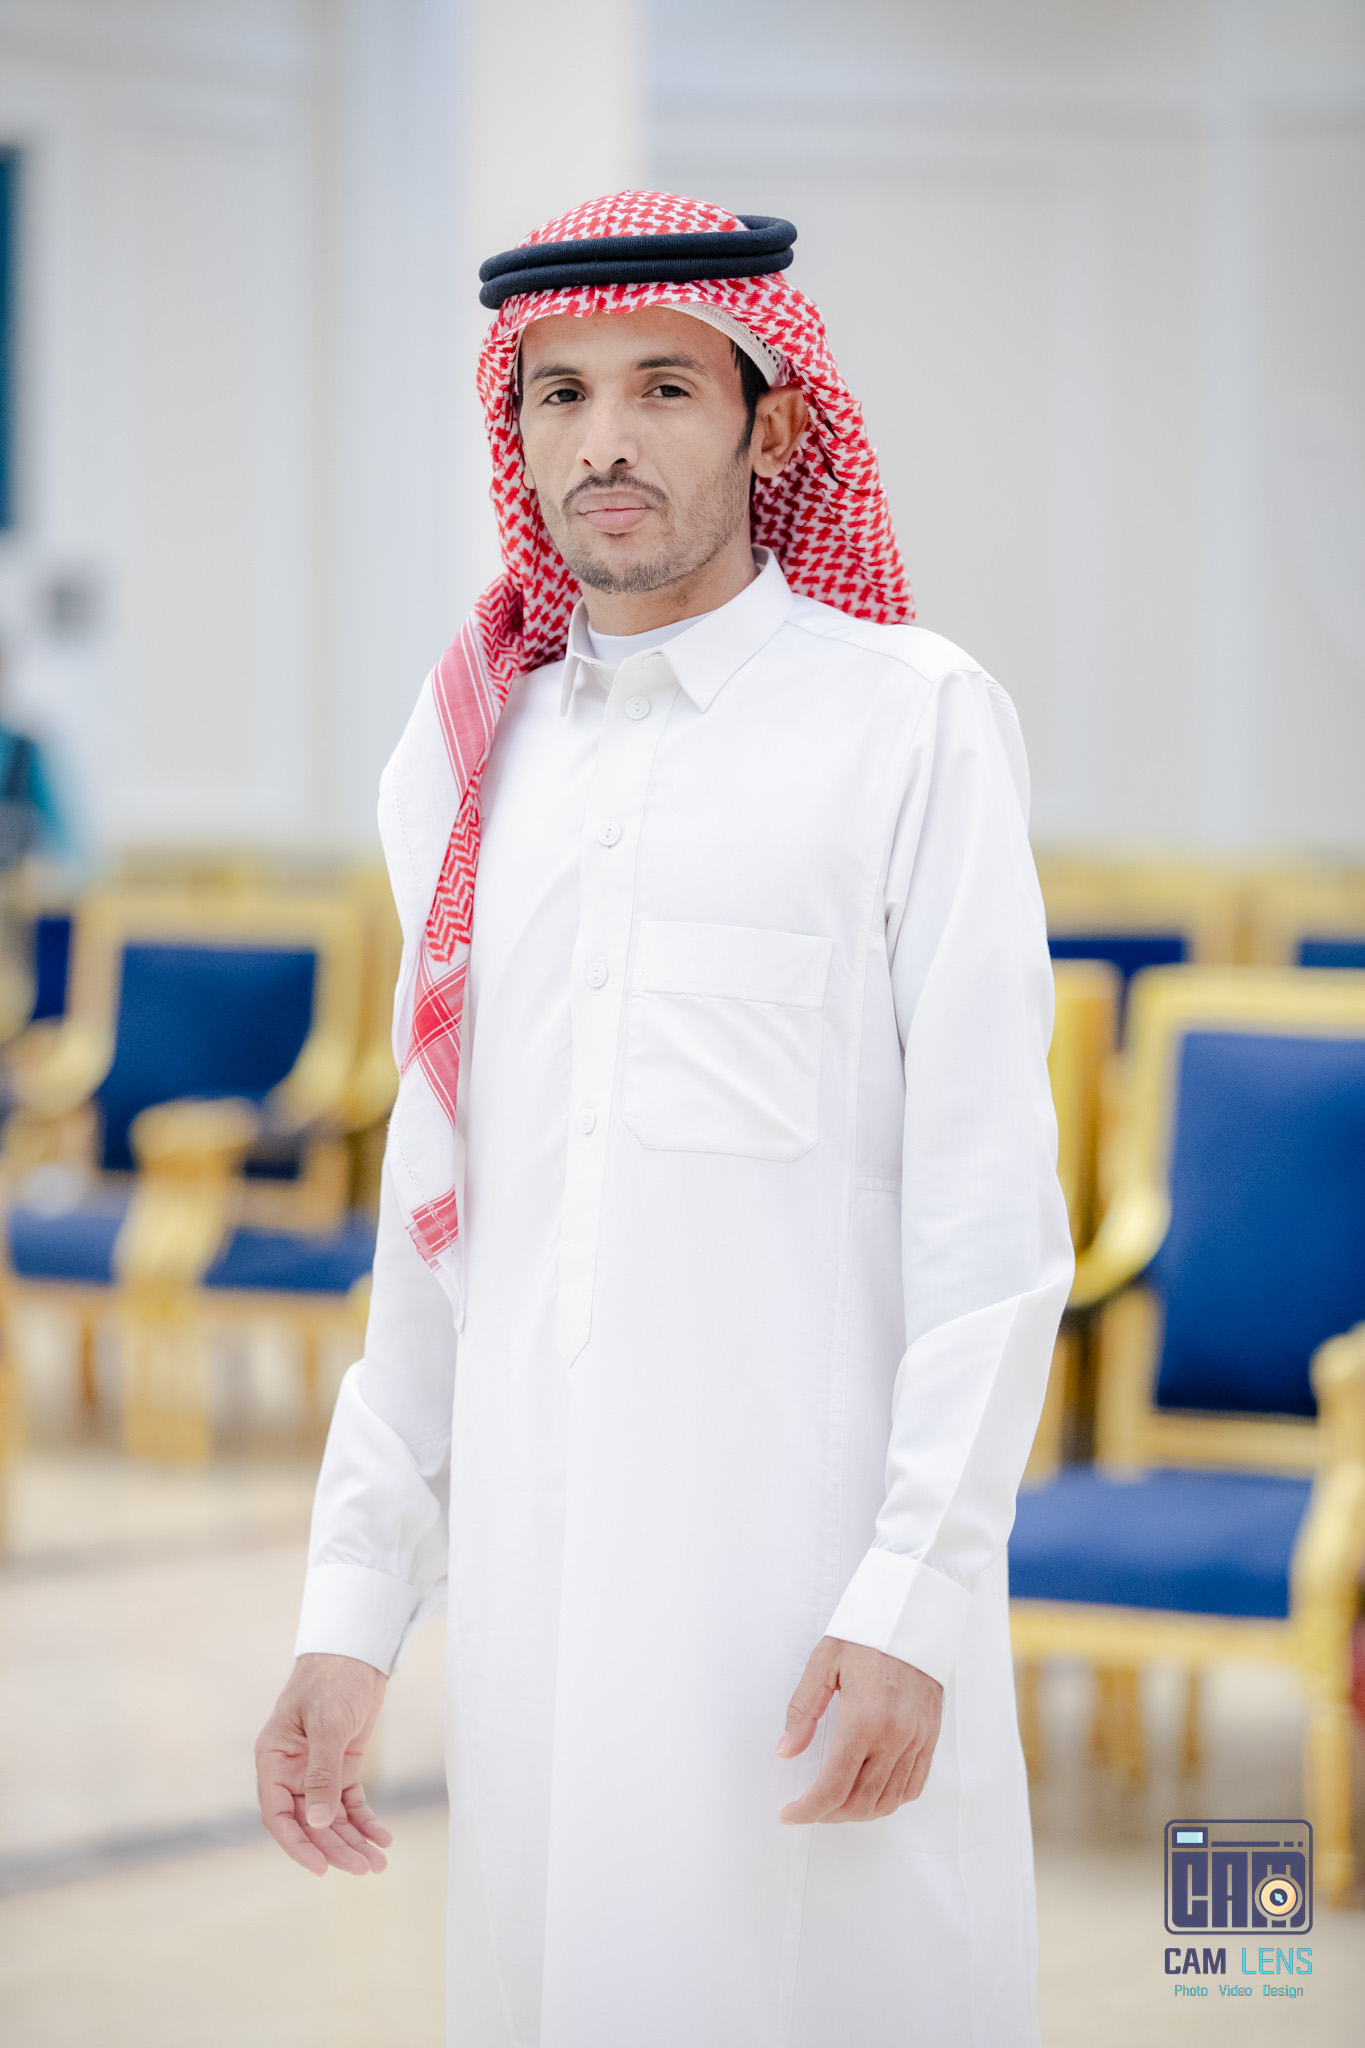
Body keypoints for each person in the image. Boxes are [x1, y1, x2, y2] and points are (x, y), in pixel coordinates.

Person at [256, 191, 1073, 2048]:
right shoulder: (470, 758)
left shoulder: (910, 723)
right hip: (541, 1615)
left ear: (772, 429)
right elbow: (434, 1231)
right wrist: (350, 1612)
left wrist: (913, 1600)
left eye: (662, 388)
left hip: (809, 1597)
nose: (603, 440)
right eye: (557, 395)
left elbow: (989, 1229)